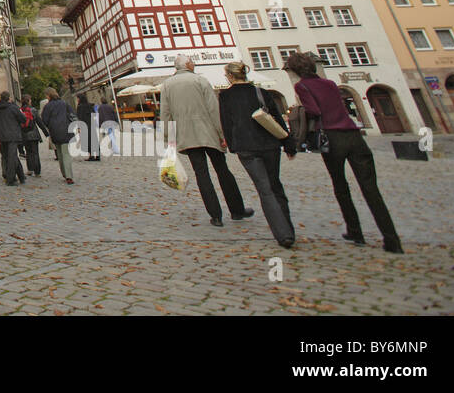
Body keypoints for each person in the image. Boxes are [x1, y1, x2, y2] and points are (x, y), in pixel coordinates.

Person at [285, 52, 403, 253]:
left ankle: (355, 231)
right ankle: (392, 240)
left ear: (295, 71)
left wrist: (299, 111)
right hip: (353, 136)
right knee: (370, 188)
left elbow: (314, 110)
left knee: (341, 185)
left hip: (332, 138)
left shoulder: (301, 86)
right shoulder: (330, 83)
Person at [160, 56, 253, 227]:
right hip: (208, 132)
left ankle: (215, 215)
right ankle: (237, 210)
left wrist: (169, 138)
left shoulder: (167, 85)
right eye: (192, 62)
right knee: (222, 170)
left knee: (201, 174)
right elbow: (213, 109)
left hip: (187, 135)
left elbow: (165, 114)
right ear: (188, 65)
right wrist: (222, 133)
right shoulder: (200, 80)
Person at [218, 61, 297, 248]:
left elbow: (226, 123)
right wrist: (288, 144)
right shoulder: (260, 92)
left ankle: (283, 234)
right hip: (270, 144)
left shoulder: (225, 96)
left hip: (246, 147)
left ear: (229, 76)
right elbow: (277, 119)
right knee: (275, 185)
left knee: (264, 188)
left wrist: (232, 145)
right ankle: (289, 230)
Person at [0, 91, 27, 186]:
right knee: (12, 157)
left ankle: (21, 176)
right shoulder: (13, 108)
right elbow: (23, 119)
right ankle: (11, 179)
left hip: (2, 137)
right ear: (9, 98)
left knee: (9, 156)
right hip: (13, 135)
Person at [39, 88, 76, 184]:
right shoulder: (64, 103)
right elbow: (72, 115)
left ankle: (65, 174)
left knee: (59, 153)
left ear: (48, 95)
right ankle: (69, 175)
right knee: (66, 153)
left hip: (55, 131)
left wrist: (50, 126)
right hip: (66, 130)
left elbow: (44, 120)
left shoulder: (48, 106)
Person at [19, 95, 44, 177]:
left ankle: (30, 169)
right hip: (33, 134)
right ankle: (37, 171)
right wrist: (46, 133)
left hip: (24, 134)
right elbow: (39, 122)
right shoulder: (33, 110)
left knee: (28, 152)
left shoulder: (20, 110)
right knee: (35, 153)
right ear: (29, 100)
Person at [76, 94, 97, 160]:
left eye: (78, 98)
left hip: (84, 125)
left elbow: (79, 117)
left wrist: (79, 127)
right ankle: (97, 155)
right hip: (91, 124)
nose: (77, 100)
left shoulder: (80, 107)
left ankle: (91, 155)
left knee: (87, 140)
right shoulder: (90, 106)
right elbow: (94, 114)